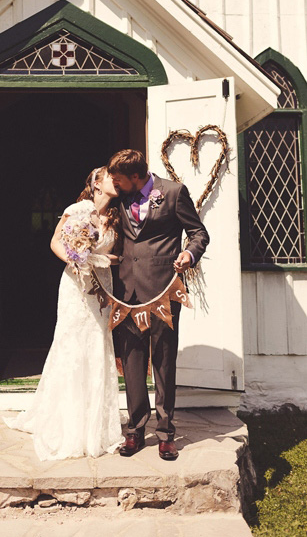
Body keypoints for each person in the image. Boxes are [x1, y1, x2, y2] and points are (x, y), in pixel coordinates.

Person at [5, 167, 124, 461]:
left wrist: (108, 260)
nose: (117, 181)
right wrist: (77, 258)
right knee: (71, 348)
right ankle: (68, 425)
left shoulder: (117, 217)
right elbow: (56, 242)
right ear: (97, 183)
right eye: (112, 177)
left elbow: (119, 255)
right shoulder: (78, 210)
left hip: (102, 289)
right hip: (75, 287)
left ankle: (96, 427)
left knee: (97, 345)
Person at [107, 149, 209, 460]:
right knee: (132, 360)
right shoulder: (117, 196)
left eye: (119, 179)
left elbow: (198, 233)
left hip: (164, 288)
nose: (115, 183)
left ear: (136, 177)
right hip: (126, 290)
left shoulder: (174, 193)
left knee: (164, 360)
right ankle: (136, 430)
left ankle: (166, 432)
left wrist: (189, 254)